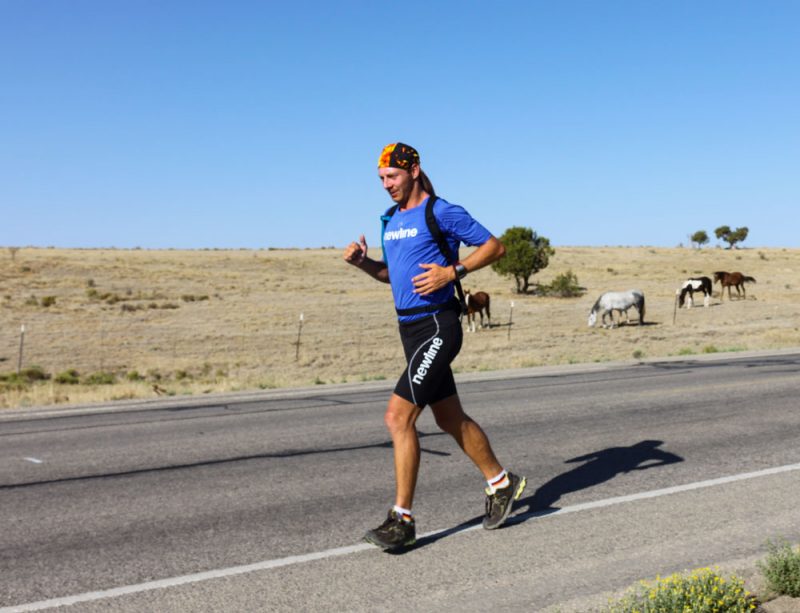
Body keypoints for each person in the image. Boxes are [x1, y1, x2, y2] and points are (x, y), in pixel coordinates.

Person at [343, 142, 527, 551]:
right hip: (409, 330)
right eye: (381, 179)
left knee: (397, 418)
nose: (386, 185)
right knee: (449, 418)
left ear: (412, 171)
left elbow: (494, 247)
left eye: (392, 176)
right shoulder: (390, 220)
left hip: (439, 326)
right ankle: (501, 483)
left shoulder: (441, 211)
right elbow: (394, 276)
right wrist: (363, 264)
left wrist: (452, 271)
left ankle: (401, 520)